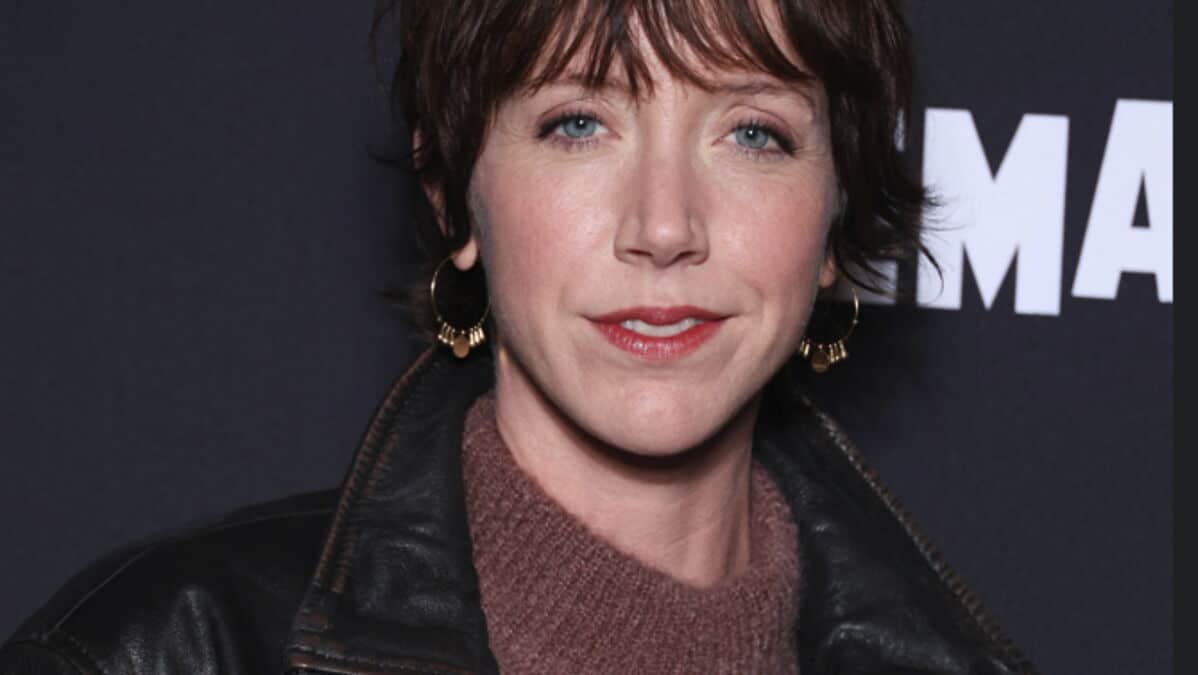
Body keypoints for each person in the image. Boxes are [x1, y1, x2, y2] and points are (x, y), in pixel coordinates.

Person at [0, 0, 1038, 673]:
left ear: (833, 224)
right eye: (578, 124)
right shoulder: (176, 649)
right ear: (454, 191)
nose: (663, 226)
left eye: (752, 133)